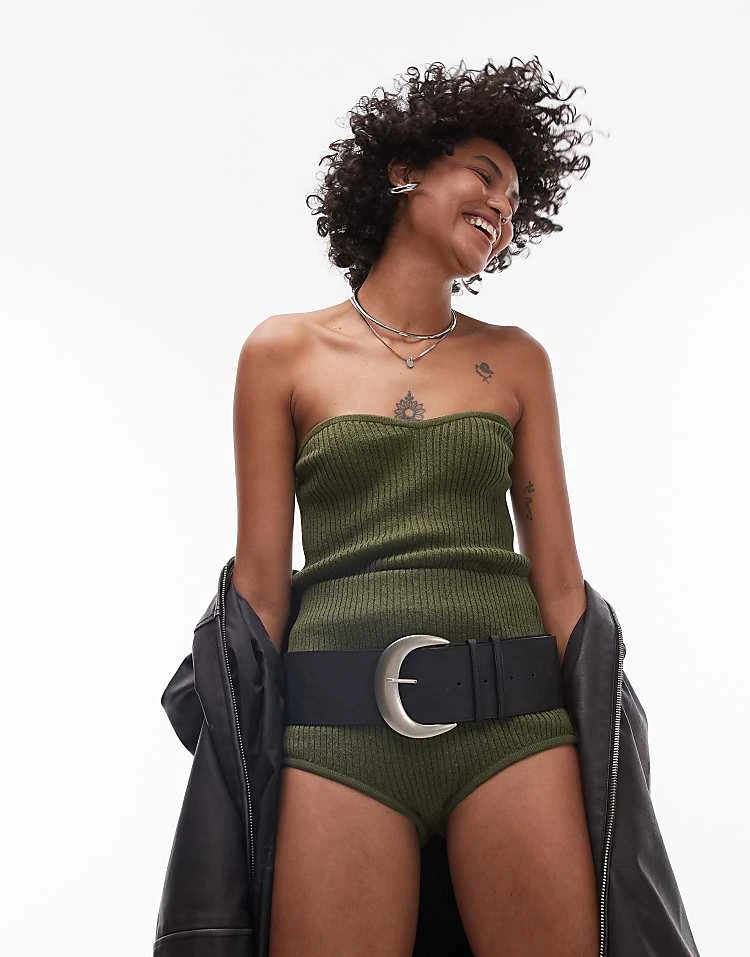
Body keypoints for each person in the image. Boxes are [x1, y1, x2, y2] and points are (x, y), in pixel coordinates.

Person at [232, 56, 601, 957]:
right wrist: (238, 769)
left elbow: (560, 585)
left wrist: (607, 761)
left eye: (515, 201)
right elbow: (261, 591)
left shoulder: (518, 361)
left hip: (514, 722)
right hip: (336, 730)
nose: (502, 208)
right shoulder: (282, 353)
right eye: (485, 176)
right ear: (404, 171)